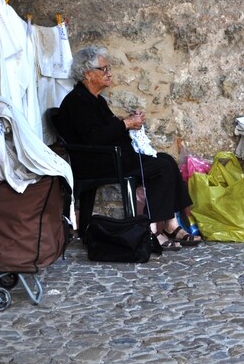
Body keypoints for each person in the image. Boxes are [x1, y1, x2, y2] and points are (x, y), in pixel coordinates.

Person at [56, 46, 200, 250]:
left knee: (166, 160)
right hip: (98, 162)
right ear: (88, 74)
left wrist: (128, 121)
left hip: (113, 156)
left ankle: (171, 224)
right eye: (103, 69)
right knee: (161, 168)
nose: (109, 73)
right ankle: (151, 232)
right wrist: (125, 124)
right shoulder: (77, 102)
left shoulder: (95, 100)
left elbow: (105, 129)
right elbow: (94, 137)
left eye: (108, 68)